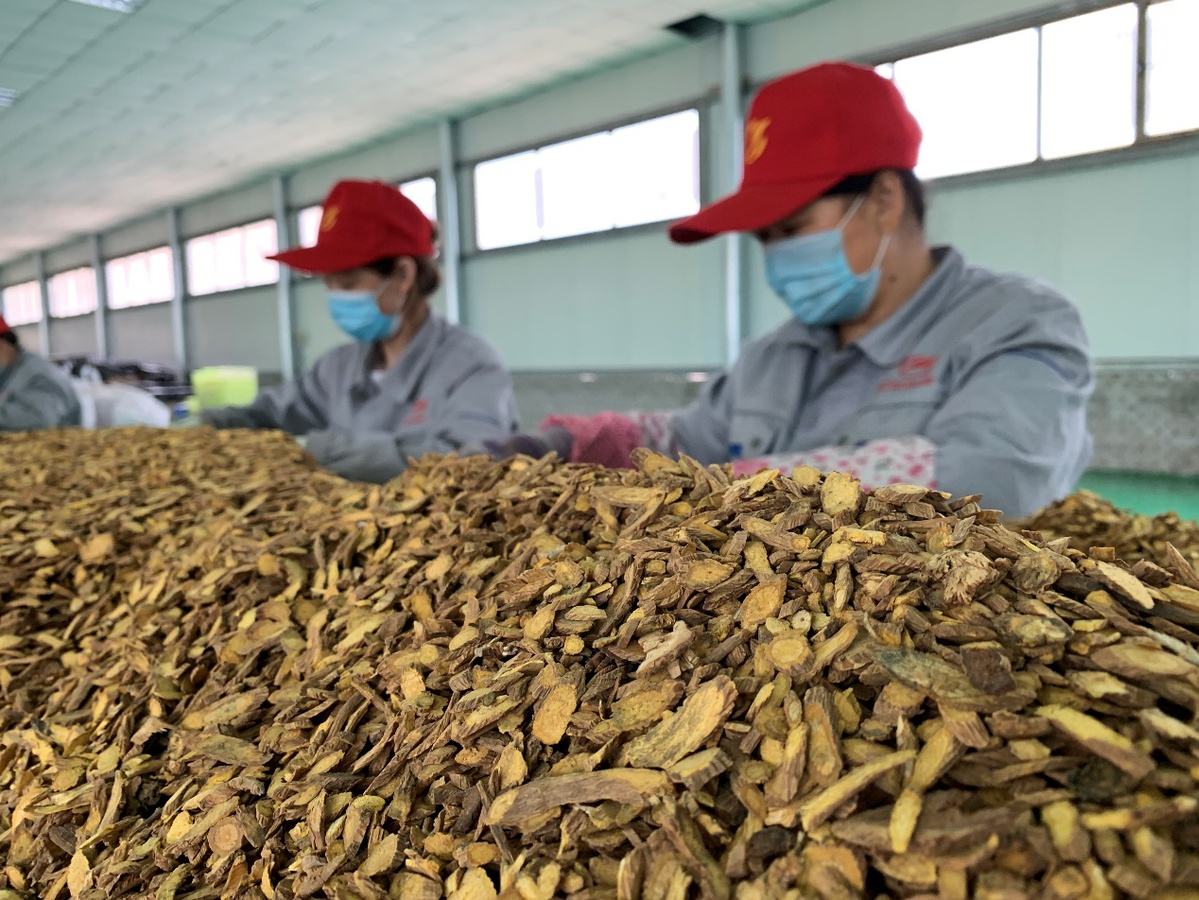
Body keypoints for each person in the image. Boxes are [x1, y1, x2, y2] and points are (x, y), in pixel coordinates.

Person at [489, 62, 1092, 519]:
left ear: (884, 200)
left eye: (795, 229)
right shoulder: (772, 357)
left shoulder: (1017, 322)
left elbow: (994, 479)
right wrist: (582, 444)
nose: (778, 255)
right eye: (765, 238)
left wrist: (737, 490)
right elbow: (693, 441)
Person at [201, 179, 519, 482]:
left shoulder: (470, 365)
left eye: (348, 283)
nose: (336, 297)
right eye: (329, 285)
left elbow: (472, 463)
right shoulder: (338, 368)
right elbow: (269, 413)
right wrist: (206, 425)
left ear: (403, 275)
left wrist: (317, 450)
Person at [0, 314, 82, 431]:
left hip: (57, 446)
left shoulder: (37, 374)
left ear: (1, 346)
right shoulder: (12, 370)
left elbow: (39, 419)